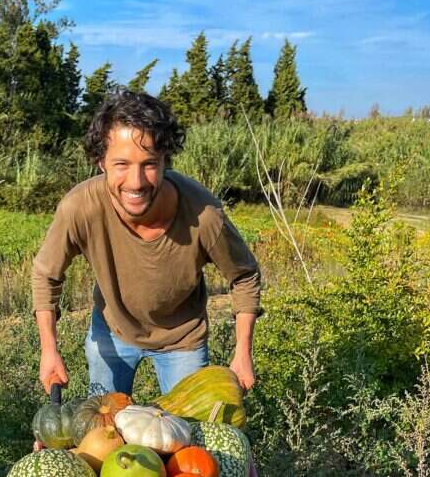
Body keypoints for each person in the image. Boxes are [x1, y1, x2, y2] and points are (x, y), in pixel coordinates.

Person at [31, 89, 262, 396]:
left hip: (182, 340)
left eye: (149, 164)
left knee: (187, 436)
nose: (136, 182)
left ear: (166, 160)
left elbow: (244, 276)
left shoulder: (203, 215)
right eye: (122, 164)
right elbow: (46, 275)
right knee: (104, 430)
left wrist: (243, 354)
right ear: (101, 162)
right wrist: (49, 349)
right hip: (112, 332)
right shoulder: (80, 208)